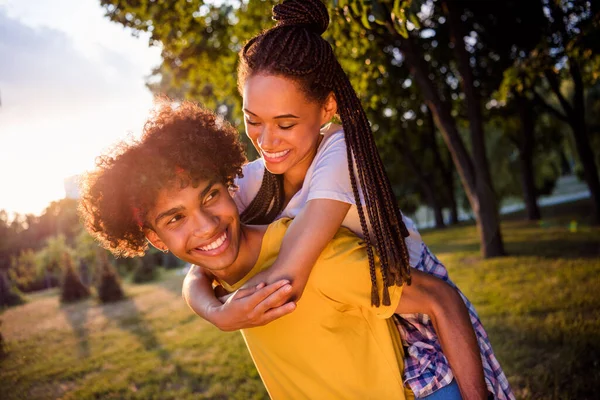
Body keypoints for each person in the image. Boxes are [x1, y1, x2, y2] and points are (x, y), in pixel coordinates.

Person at [182, 1, 513, 399]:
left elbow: (289, 276)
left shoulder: (340, 153)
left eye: (285, 123)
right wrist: (216, 311)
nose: (266, 142)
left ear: (328, 107)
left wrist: (230, 309)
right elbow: (202, 261)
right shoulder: (254, 180)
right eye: (253, 120)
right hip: (357, 320)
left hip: (419, 315)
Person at [79, 101, 487, 399]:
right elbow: (197, 280)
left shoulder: (318, 257)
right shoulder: (221, 286)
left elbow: (440, 298)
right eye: (174, 219)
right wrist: (217, 311)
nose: (205, 226)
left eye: (210, 196)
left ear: (230, 189)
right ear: (154, 239)